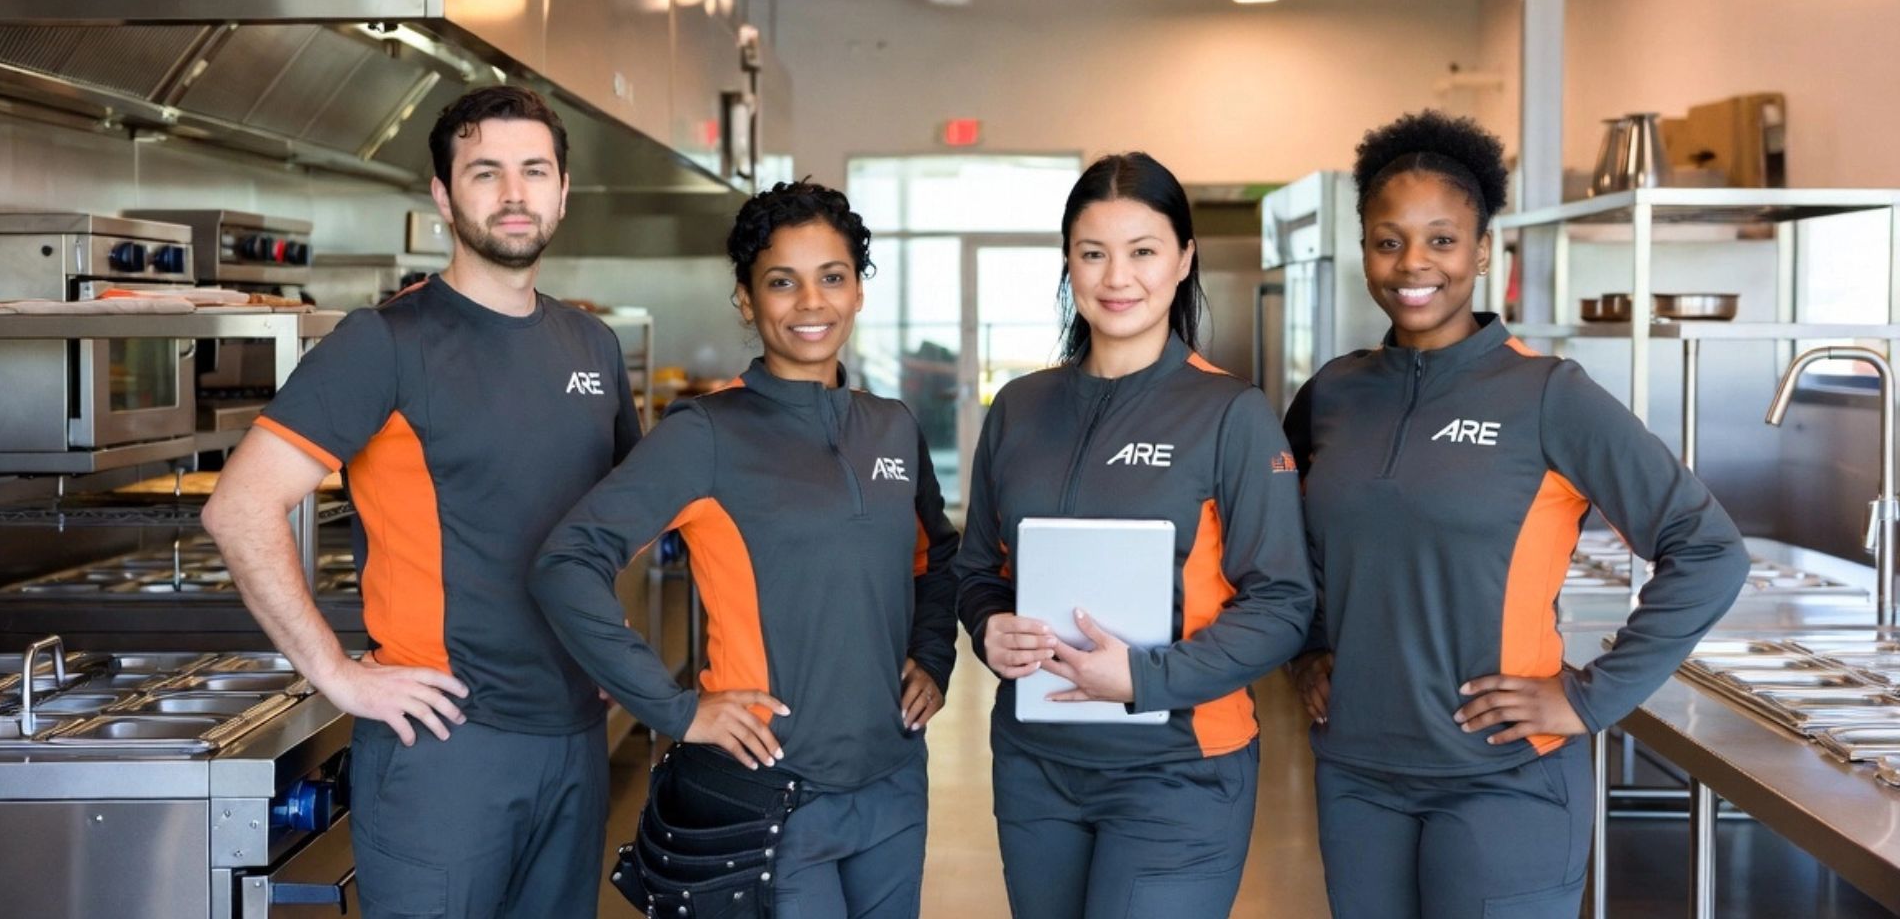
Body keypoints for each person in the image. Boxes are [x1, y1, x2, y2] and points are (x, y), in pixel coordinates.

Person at [1283, 110, 1750, 918]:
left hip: (1503, 780)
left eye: (1441, 239)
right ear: (1364, 249)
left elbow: (1707, 548)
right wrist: (1310, 650)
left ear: (1482, 253)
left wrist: (1591, 697)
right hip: (1357, 775)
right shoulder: (1333, 392)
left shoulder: (1546, 394)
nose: (1413, 264)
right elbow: (1289, 547)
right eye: (1388, 240)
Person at [204, 85, 639, 919]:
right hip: (446, 748)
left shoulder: (592, 345)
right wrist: (336, 675)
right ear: (443, 196)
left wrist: (614, 652)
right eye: (485, 173)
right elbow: (239, 506)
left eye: (534, 170)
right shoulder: (385, 342)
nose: (514, 195)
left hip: (575, 735)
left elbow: (614, 517)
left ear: (562, 190)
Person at [529, 180, 959, 919]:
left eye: (832, 278)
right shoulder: (705, 434)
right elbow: (566, 562)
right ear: (745, 300)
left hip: (893, 782)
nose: (811, 304)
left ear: (859, 291)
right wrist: (674, 708)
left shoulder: (891, 428)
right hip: (772, 797)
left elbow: (938, 560)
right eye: (781, 283)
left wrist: (934, 655)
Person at [952, 152, 1315, 919]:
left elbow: (1282, 603)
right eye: (1093, 253)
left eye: (1143, 251)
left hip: (1178, 769)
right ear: (1068, 264)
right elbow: (976, 566)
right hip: (1036, 765)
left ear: (1183, 259)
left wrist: (1146, 680)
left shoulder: (1230, 415)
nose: (1118, 277)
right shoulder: (1019, 408)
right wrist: (989, 628)